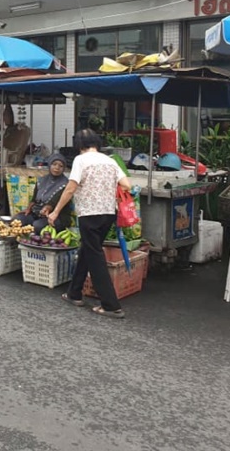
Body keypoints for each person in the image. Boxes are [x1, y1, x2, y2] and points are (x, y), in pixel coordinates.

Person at [48, 129, 131, 319]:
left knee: (95, 257)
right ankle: (74, 293)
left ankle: (111, 305)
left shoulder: (80, 160)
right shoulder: (110, 161)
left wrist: (56, 211)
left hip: (89, 214)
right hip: (108, 213)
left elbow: (70, 188)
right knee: (88, 250)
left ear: (79, 145)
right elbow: (126, 184)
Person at [12, 153, 70, 233]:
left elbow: (54, 201)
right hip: (37, 213)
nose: (57, 168)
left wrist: (47, 208)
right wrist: (29, 208)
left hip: (56, 217)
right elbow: (34, 198)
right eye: (54, 164)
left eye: (60, 166)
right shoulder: (42, 180)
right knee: (18, 219)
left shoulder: (65, 184)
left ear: (63, 169)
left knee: (37, 225)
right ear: (49, 165)